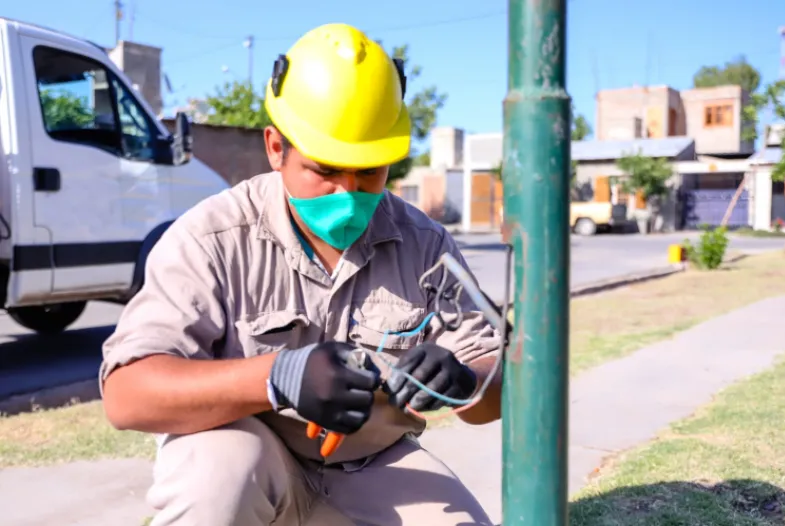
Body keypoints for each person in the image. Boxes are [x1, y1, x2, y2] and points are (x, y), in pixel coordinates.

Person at [100, 22, 503, 526]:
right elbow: (126, 394)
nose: (348, 193)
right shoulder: (210, 238)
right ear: (275, 148)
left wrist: (467, 379)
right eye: (327, 170)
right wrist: (278, 377)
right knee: (215, 480)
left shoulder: (424, 244)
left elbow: (494, 391)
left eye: (369, 171)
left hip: (374, 462)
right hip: (244, 456)